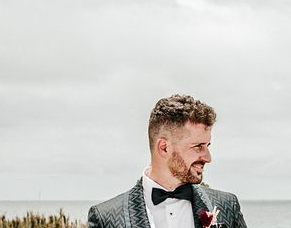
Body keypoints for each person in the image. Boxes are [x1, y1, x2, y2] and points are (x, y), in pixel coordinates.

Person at [88, 94, 247, 228]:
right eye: (198, 146)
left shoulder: (227, 206)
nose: (208, 157)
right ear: (164, 148)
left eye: (207, 145)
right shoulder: (104, 218)